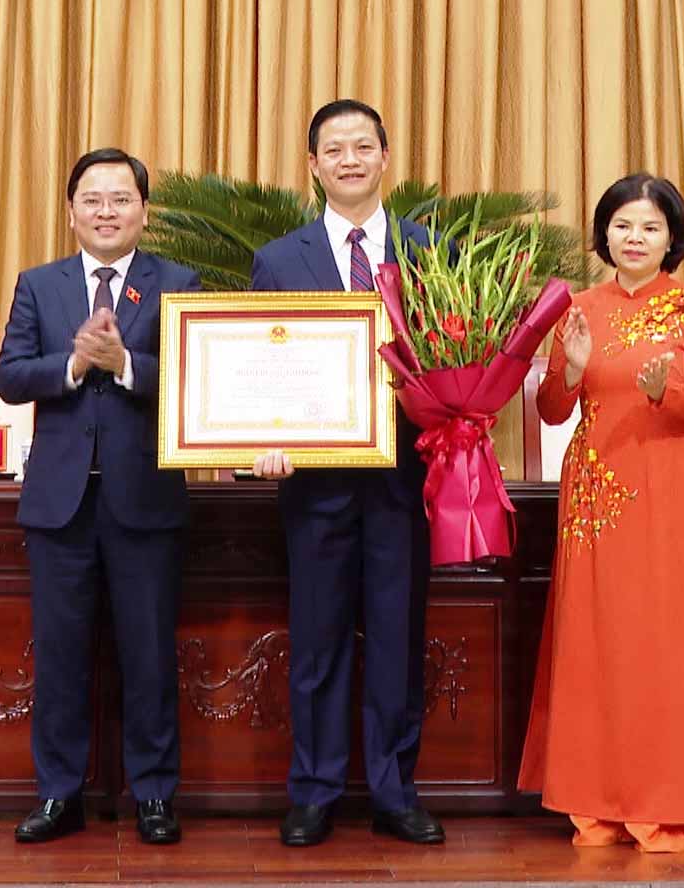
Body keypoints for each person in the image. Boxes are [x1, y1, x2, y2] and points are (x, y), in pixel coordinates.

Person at [0, 147, 200, 845]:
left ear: (144, 210)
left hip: (145, 501)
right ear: (71, 210)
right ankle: (58, 794)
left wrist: (130, 366)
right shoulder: (39, 285)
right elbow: (11, 376)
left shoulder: (179, 281)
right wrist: (77, 364)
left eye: (120, 199)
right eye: (92, 199)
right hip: (60, 506)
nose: (106, 211)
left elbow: (196, 378)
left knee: (149, 657)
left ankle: (153, 796)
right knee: (59, 658)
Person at [251, 100, 444, 847]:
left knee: (398, 640)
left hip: (404, 480)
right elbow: (263, 372)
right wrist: (260, 442)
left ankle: (396, 794)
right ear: (313, 164)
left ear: (385, 157)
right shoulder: (278, 258)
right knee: (319, 640)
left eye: (364, 146)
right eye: (335, 149)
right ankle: (315, 790)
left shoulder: (433, 250)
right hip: (315, 483)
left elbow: (454, 353)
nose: (351, 159)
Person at [517, 173, 684, 852]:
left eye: (650, 228)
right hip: (594, 491)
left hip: (666, 486)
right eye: (622, 225)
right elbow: (552, 409)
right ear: (605, 232)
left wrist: (668, 388)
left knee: (660, 643)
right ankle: (595, 803)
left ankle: (664, 807)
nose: (634, 238)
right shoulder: (579, 307)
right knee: (596, 640)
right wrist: (572, 367)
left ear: (673, 238)